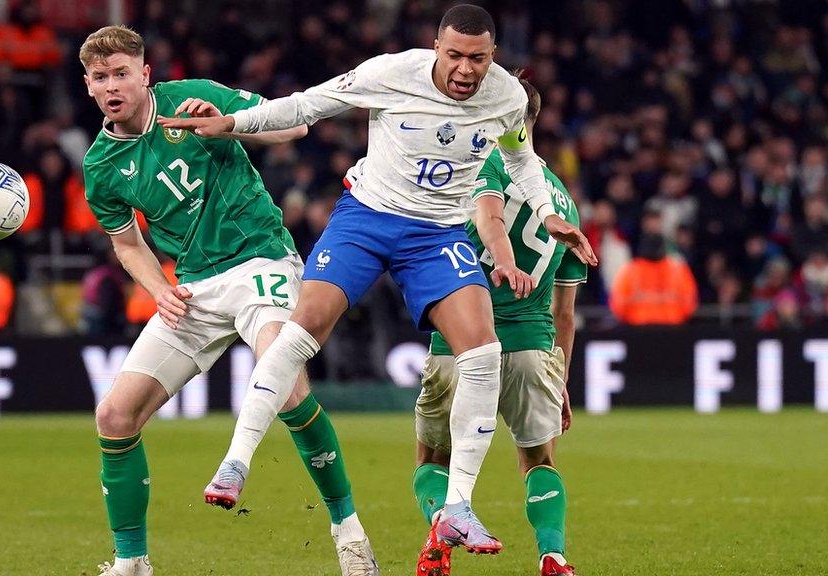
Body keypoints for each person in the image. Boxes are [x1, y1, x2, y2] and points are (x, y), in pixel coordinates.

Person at [161, 4, 596, 554]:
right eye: (455, 55)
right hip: (368, 217)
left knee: (483, 352)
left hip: (436, 234)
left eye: (478, 59)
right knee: (303, 330)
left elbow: (520, 158)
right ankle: (235, 461)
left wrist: (546, 211)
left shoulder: (507, 96)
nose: (465, 69)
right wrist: (234, 125)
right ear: (437, 47)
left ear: (494, 57)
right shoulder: (391, 73)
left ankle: (457, 507)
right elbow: (305, 105)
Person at [78, 26, 378, 576]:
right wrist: (159, 290)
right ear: (90, 87)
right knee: (115, 415)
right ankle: (131, 563)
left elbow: (296, 124)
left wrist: (229, 124)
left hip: (259, 258)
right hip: (191, 289)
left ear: (145, 75)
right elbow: (127, 243)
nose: (113, 85)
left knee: (284, 382)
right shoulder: (100, 166)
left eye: (122, 73)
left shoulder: (193, 97)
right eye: (101, 77)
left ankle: (347, 529)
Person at [413, 76, 584, 576]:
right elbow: (565, 313)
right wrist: (562, 379)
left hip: (459, 339)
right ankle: (553, 556)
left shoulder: (483, 161)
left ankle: (438, 546)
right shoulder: (564, 203)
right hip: (535, 347)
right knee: (538, 462)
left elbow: (486, 217)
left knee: (433, 458)